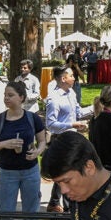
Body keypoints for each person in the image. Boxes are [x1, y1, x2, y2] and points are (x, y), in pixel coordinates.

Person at [0, 82, 46, 220]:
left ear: (21, 97)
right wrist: (5, 144)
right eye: (5, 95)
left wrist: (37, 151)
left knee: (31, 214)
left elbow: (42, 141)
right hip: (7, 173)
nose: (6, 98)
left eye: (10, 95)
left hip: (30, 171)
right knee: (4, 214)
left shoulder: (33, 118)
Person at [45, 65, 94, 212]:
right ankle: (69, 209)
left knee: (67, 172)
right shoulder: (54, 99)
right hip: (61, 140)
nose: (74, 78)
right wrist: (71, 125)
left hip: (73, 139)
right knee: (68, 173)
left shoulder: (71, 93)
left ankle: (56, 202)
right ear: (63, 78)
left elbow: (78, 113)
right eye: (71, 75)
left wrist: (94, 107)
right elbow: (51, 124)